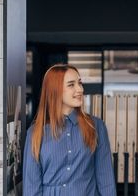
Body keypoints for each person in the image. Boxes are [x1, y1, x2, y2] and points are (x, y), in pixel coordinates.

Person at [23, 64, 116, 196]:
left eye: (80, 83)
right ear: (55, 90)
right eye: (71, 85)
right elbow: (31, 187)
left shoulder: (96, 126)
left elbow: (106, 180)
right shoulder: (35, 132)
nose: (80, 89)